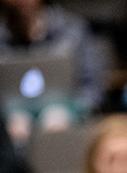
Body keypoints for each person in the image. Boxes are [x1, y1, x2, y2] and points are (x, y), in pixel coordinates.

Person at [0, 0, 106, 148]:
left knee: (54, 120)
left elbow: (91, 83)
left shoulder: (72, 28)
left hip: (65, 108)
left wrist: (81, 108)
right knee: (15, 127)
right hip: (12, 111)